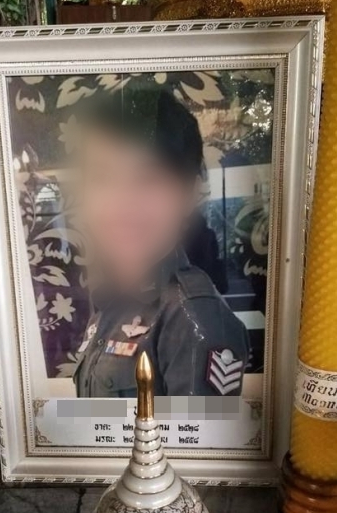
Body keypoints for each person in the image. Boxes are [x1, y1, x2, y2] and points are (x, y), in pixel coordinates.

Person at [68, 85, 249, 398]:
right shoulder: (113, 298)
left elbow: (200, 431)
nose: (121, 205)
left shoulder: (192, 320)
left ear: (188, 193)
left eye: (148, 179)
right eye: (102, 178)